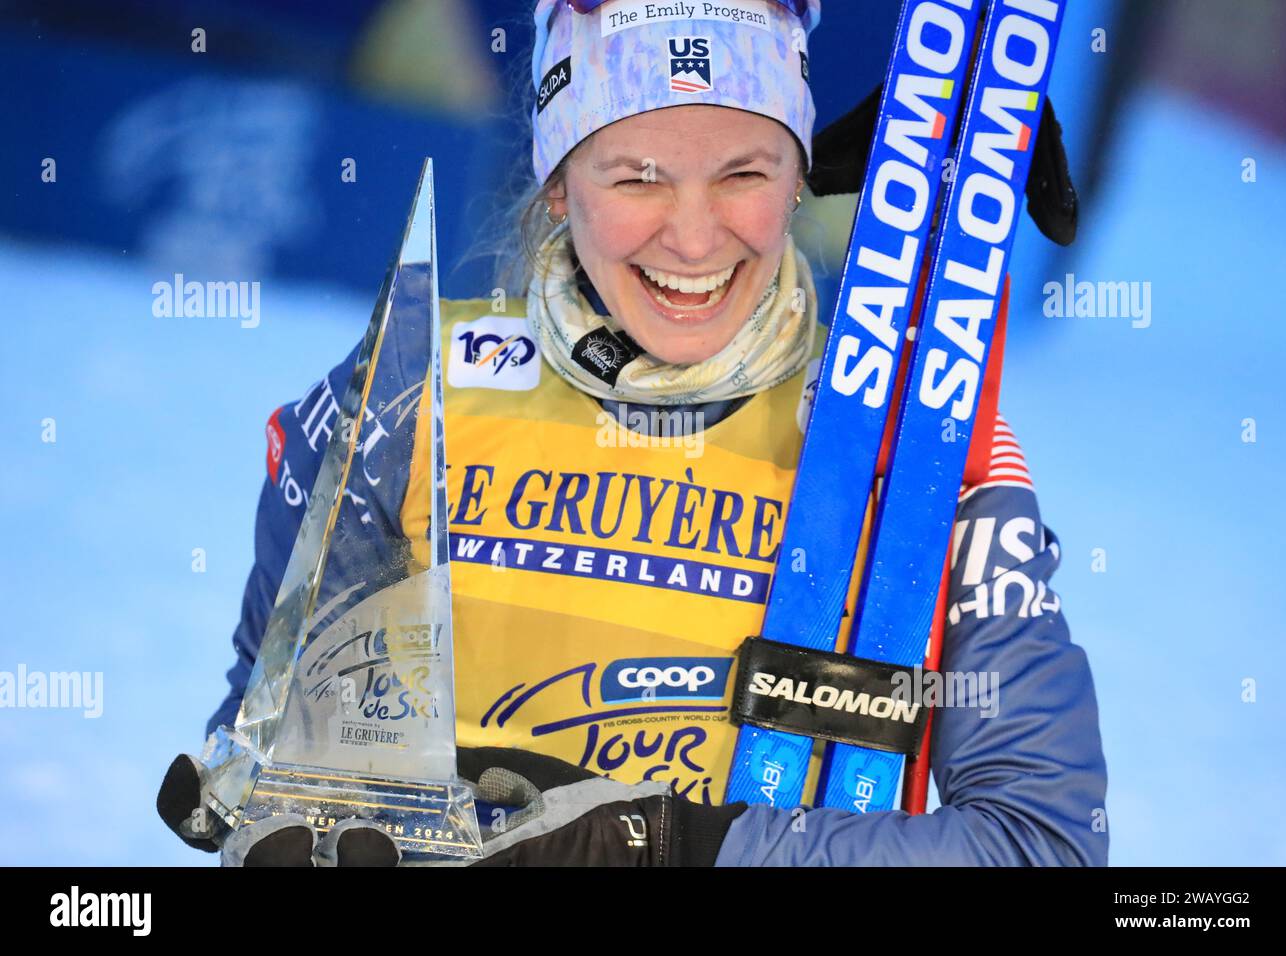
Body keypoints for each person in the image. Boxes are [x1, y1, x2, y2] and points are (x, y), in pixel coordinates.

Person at [159, 0, 1107, 866]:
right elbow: (269, 748)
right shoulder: (409, 389)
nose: (694, 240)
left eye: (745, 171)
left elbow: (1043, 846)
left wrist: (667, 848)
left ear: (798, 179)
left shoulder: (919, 438)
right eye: (637, 176)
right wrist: (280, 809)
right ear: (560, 181)